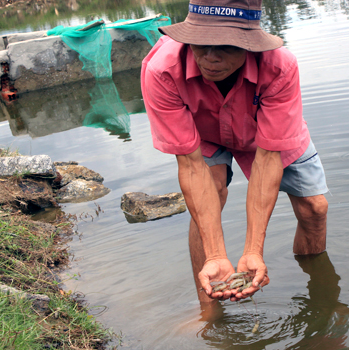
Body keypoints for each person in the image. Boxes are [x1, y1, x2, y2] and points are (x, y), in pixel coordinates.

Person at [141, 0, 329, 303]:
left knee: (314, 208)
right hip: (202, 131)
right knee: (210, 196)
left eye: (226, 47)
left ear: (250, 45)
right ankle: (209, 308)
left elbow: (268, 158)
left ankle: (319, 292)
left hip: (262, 128)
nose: (210, 58)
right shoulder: (162, 70)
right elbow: (191, 166)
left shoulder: (279, 66)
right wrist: (217, 254)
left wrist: (253, 251)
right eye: (200, 45)